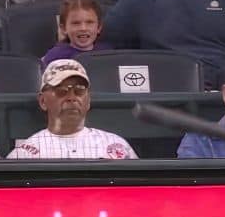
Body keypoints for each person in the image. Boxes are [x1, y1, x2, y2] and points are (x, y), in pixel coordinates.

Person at [8, 59, 137, 159]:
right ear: (43, 101)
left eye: (79, 90)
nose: (71, 98)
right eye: (61, 91)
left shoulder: (115, 144)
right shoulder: (26, 152)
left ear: (88, 100)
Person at [42, 0, 111, 68]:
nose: (83, 28)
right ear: (64, 28)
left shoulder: (107, 53)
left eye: (89, 22)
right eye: (76, 23)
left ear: (99, 27)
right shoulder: (56, 56)